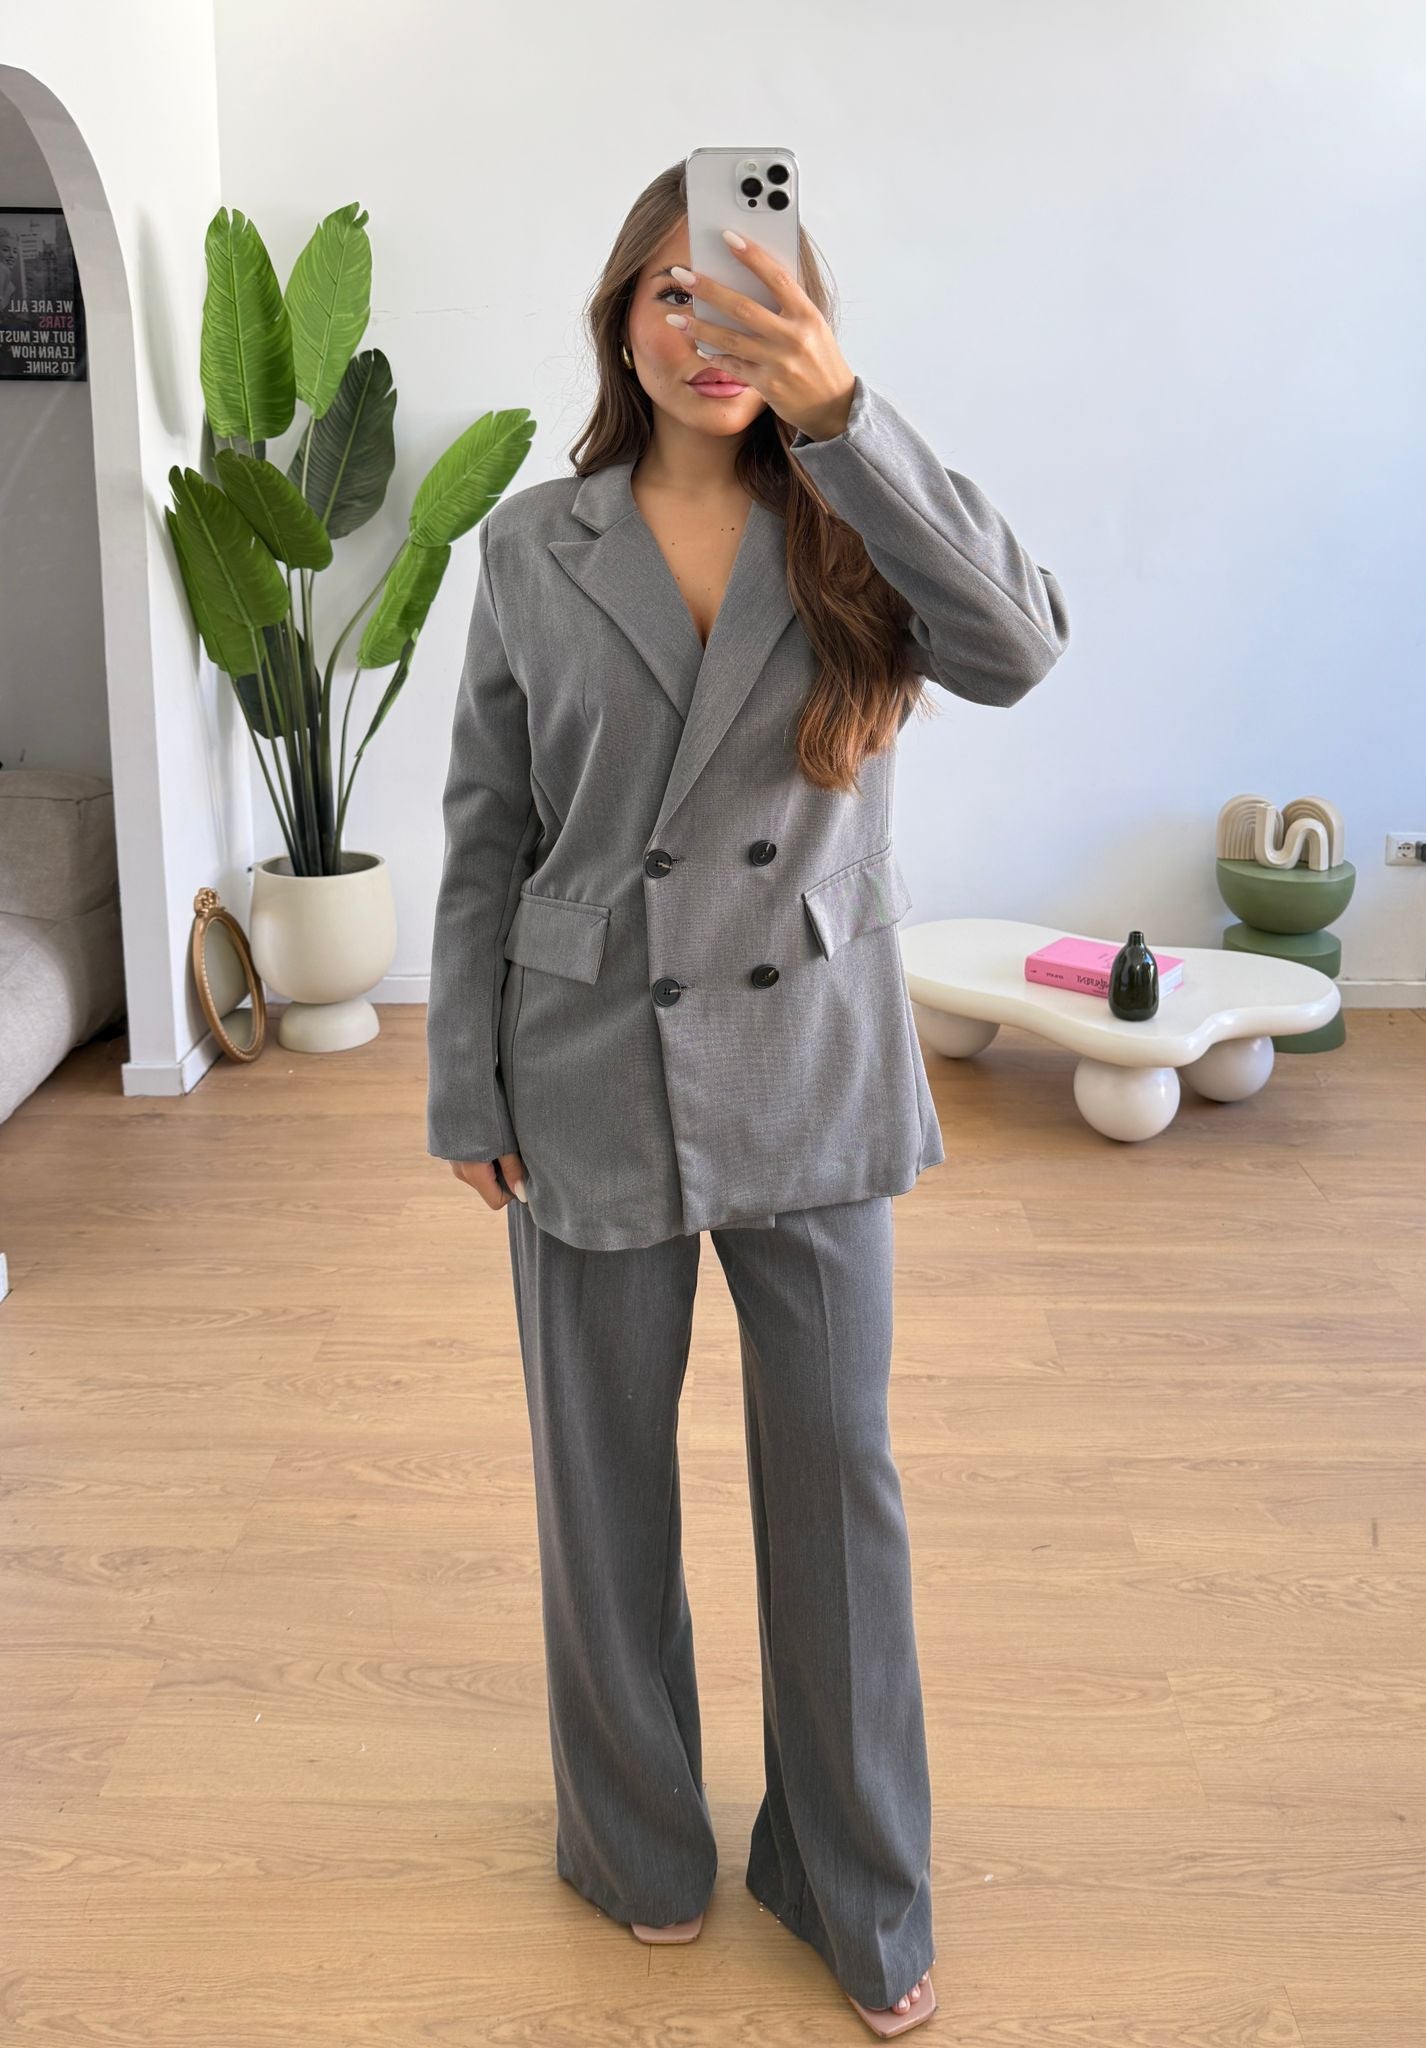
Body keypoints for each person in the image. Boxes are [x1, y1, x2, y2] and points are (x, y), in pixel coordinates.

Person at [426, 158, 1069, 2038]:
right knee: (601, 1488)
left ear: (804, 318)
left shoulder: (857, 518)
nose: (708, 331)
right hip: (586, 1064)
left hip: (809, 1066)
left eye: (749, 295)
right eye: (671, 293)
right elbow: (487, 833)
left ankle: (855, 1883)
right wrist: (462, 1075)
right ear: (620, 325)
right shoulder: (530, 548)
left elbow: (1021, 649)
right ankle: (635, 1844)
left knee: (837, 1490)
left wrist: (845, 414)